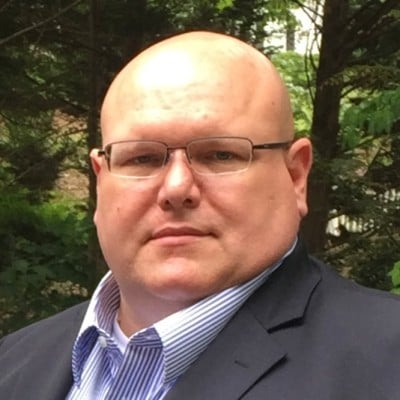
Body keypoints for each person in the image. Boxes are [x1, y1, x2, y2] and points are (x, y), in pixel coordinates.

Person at [0, 31, 399, 400]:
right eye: (141, 158)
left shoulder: (386, 364)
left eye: (220, 154)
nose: (176, 189)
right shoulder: (13, 363)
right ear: (101, 180)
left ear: (295, 176)